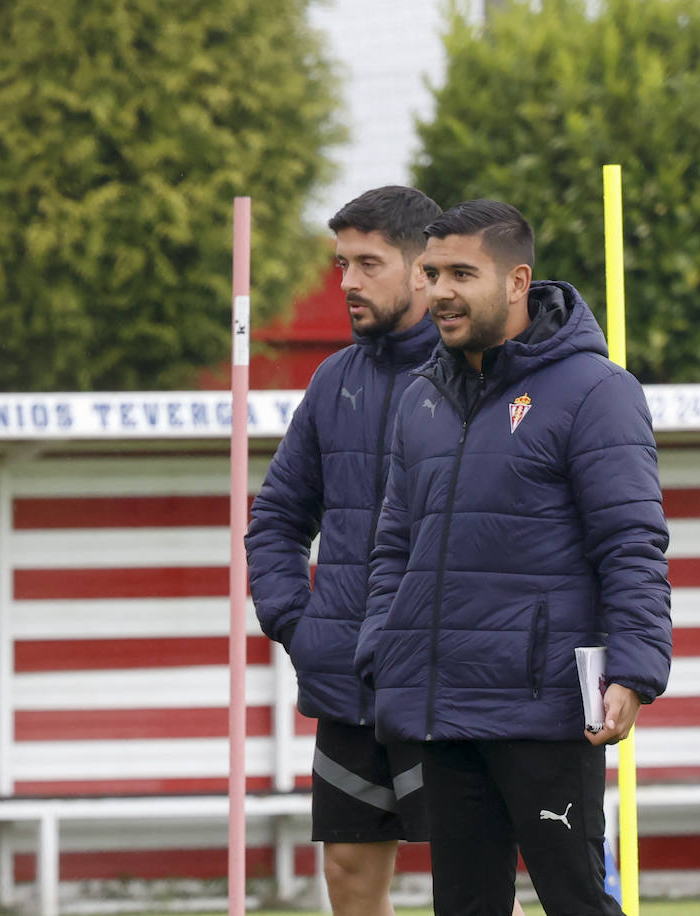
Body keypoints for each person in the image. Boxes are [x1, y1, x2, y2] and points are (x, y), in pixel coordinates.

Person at [356, 199, 672, 915]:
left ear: (517, 280)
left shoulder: (597, 392)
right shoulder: (421, 399)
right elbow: (395, 544)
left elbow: (631, 542)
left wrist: (634, 669)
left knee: (578, 904)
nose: (439, 291)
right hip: (442, 708)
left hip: (547, 709)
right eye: (431, 273)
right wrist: (382, 647)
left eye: (462, 273)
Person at [246, 186, 446, 915]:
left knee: (472, 887)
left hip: (446, 688)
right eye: (341, 264)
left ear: (425, 268)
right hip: (347, 686)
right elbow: (274, 521)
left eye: (368, 263)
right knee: (351, 883)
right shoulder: (333, 382)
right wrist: (301, 625)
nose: (348, 283)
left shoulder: (484, 376)